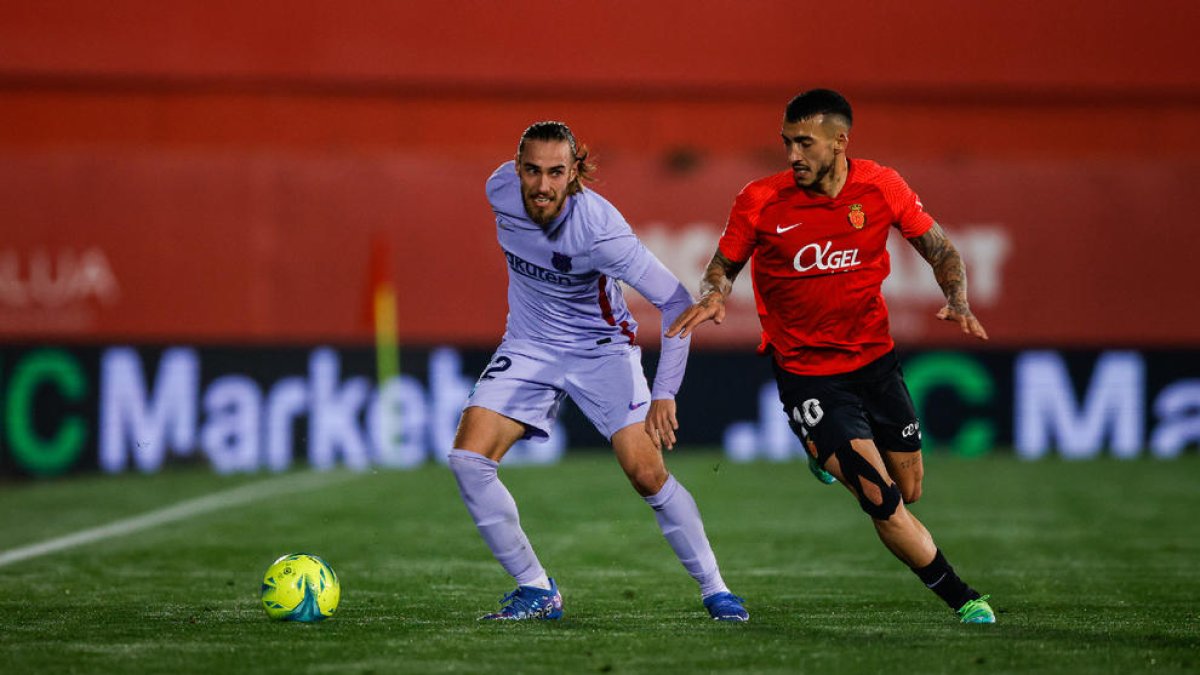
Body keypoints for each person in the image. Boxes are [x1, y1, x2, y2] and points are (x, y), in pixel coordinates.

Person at [667, 89, 996, 624]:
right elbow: (722, 266)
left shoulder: (881, 186)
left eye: (805, 143)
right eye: (786, 142)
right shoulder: (760, 199)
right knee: (881, 498)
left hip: (875, 361)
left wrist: (956, 299)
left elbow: (940, 248)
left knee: (909, 489)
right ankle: (964, 598)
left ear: (841, 142)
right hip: (808, 375)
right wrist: (715, 293)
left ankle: (822, 452)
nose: (793, 155)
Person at [448, 121, 748, 622]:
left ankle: (716, 589)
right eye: (532, 171)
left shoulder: (600, 231)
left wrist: (664, 393)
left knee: (646, 472)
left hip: (601, 350)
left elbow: (675, 303)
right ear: (516, 168)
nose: (542, 186)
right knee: (467, 460)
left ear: (574, 173)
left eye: (555, 173)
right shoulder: (498, 189)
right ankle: (537, 589)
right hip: (530, 344)